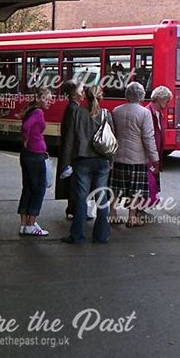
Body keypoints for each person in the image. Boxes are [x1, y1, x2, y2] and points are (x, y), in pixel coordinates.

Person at [60, 85, 114, 244]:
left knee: (81, 198)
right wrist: (111, 161)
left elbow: (69, 140)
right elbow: (111, 140)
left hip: (82, 160)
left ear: (86, 96)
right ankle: (102, 235)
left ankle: (77, 235)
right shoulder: (106, 114)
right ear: (101, 98)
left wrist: (65, 163)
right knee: (102, 197)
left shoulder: (77, 113)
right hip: (102, 161)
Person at [110, 82, 159, 227]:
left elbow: (112, 134)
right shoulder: (144, 113)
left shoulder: (116, 111)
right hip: (137, 158)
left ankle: (112, 214)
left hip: (118, 156)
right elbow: (148, 137)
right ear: (141, 95)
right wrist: (154, 158)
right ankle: (131, 217)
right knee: (135, 190)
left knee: (116, 188)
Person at [18, 88, 53, 236]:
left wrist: (25, 141)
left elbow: (26, 127)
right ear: (39, 99)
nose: (49, 102)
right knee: (39, 189)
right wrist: (26, 140)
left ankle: (24, 224)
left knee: (27, 188)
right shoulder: (38, 113)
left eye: (50, 99)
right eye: (46, 99)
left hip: (26, 155)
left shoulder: (30, 111)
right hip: (35, 155)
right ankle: (31, 224)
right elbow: (25, 127)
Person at [55, 80, 89, 220]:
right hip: (74, 153)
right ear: (73, 94)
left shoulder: (72, 108)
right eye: (81, 90)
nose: (83, 93)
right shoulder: (74, 109)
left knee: (74, 182)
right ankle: (76, 210)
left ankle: (73, 208)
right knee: (77, 182)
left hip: (72, 152)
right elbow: (70, 136)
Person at [144, 85, 173, 218]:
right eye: (167, 100)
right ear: (159, 99)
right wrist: (152, 157)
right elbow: (147, 136)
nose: (168, 104)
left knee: (151, 184)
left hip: (155, 152)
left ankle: (142, 209)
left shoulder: (158, 113)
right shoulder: (147, 112)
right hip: (148, 154)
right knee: (147, 184)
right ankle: (139, 210)